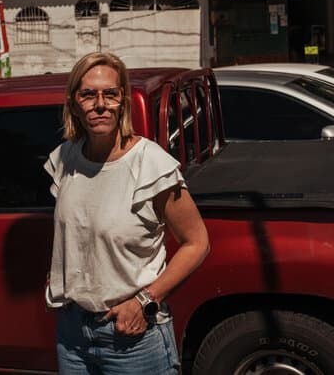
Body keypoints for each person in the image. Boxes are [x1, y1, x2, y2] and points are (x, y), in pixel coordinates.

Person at [44, 52, 210, 374]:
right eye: (88, 95)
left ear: (123, 101)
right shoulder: (65, 157)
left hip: (132, 338)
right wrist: (58, 278)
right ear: (73, 103)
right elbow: (76, 231)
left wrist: (145, 300)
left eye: (110, 94)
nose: (100, 104)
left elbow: (197, 243)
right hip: (72, 335)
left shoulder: (150, 163)